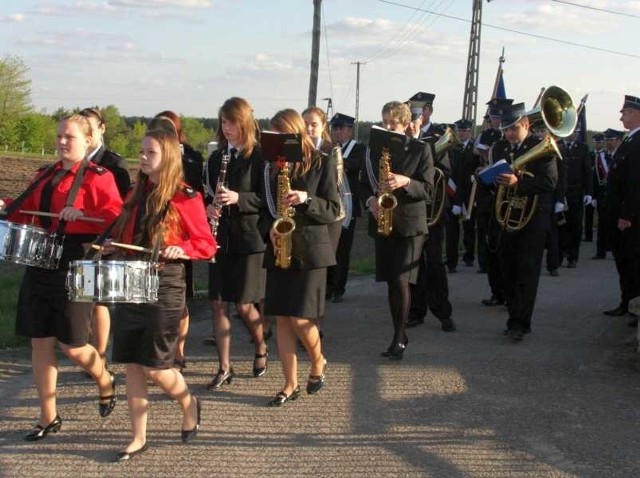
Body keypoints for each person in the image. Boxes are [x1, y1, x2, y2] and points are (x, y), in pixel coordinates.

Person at [0, 114, 122, 441]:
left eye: (69, 137)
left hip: (79, 260)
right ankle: (48, 416)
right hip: (40, 260)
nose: (62, 142)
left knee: (73, 346)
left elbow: (115, 220)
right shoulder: (45, 174)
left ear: (87, 141)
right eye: (59, 136)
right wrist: (5, 204)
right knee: (39, 341)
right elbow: (24, 212)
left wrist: (85, 215)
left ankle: (104, 378)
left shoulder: (100, 177)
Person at [108, 127, 216, 461]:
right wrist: (112, 245)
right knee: (133, 365)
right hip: (131, 280)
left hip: (165, 285)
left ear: (167, 157)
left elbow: (207, 244)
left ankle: (189, 403)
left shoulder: (186, 196)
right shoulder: (135, 193)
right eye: (141, 151)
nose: (142, 157)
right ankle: (138, 436)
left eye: (149, 152)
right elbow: (127, 234)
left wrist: (180, 248)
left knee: (155, 366)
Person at [260, 109, 340, 406]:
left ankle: (318, 360)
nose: (277, 141)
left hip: (310, 250)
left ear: (294, 133)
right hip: (280, 248)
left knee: (300, 318)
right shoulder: (271, 167)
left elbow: (333, 209)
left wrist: (307, 199)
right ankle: (289, 383)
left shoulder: (321, 162)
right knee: (281, 318)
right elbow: (262, 207)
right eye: (274, 135)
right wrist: (267, 228)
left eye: (282, 135)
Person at [204, 97, 268, 389]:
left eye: (232, 122)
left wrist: (239, 198)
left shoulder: (260, 156)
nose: (226, 128)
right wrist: (209, 207)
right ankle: (224, 367)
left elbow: (267, 198)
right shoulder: (217, 158)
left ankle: (261, 346)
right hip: (220, 239)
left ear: (244, 123)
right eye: (223, 123)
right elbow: (208, 193)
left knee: (244, 305)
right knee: (218, 304)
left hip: (249, 237)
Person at [361, 101, 433, 359]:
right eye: (385, 122)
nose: (389, 127)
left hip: (410, 225)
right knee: (392, 282)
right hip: (383, 221)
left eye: (393, 123)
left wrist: (406, 181)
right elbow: (362, 184)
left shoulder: (420, 149)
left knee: (402, 281)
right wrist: (370, 202)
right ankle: (400, 333)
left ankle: (398, 339)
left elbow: (428, 190)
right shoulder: (372, 151)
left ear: (404, 124)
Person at [491, 102, 558, 341]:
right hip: (508, 218)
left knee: (527, 272)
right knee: (507, 270)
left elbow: (549, 183)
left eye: (513, 128)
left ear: (526, 124)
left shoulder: (543, 148)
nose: (508, 134)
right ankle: (513, 313)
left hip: (533, 219)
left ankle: (520, 323)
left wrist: (518, 183)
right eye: (505, 129)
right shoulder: (499, 148)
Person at [149, 111, 204, 372]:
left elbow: (194, 189)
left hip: (179, 242)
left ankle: (177, 351)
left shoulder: (191, 156)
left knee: (180, 302)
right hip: (151, 253)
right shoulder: (142, 185)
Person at [79, 107, 131, 374]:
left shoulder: (114, 164)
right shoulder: (75, 160)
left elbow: (121, 209)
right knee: (81, 297)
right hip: (76, 237)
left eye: (90, 126)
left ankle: (100, 356)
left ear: (101, 129)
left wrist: (110, 239)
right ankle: (87, 351)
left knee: (98, 299)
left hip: (102, 238)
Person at [405, 92, 455, 332]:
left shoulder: (439, 136)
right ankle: (416, 311)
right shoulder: (404, 135)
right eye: (413, 111)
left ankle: (443, 312)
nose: (418, 114)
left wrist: (428, 165)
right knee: (414, 262)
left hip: (433, 207)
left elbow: (445, 171)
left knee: (434, 261)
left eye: (421, 110)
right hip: (413, 206)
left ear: (429, 112)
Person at [603, 96, 640, 323]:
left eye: (624, 112)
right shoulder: (629, 140)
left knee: (634, 262)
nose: (621, 117)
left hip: (631, 217)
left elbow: (635, 183)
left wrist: (627, 214)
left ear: (636, 113)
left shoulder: (637, 142)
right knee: (623, 261)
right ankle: (627, 302)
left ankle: (636, 308)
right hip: (619, 213)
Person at [477, 98, 513, 306]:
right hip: (491, 199)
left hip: (512, 202)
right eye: (494, 117)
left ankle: (509, 293)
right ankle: (497, 292)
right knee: (492, 247)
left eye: (501, 118)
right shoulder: (492, 140)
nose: (498, 121)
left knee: (507, 251)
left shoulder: (517, 144)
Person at [326, 112, 365, 303]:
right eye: (334, 128)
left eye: (341, 128)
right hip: (329, 205)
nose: (337, 132)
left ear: (350, 130)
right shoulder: (329, 148)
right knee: (327, 247)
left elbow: (353, 165)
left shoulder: (358, 149)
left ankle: (338, 287)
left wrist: (335, 158)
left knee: (342, 249)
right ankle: (326, 285)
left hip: (348, 205)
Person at [557, 127, 592, 268]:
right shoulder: (557, 145)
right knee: (560, 226)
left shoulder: (583, 148)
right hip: (560, 193)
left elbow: (587, 172)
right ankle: (558, 256)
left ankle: (573, 257)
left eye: (577, 132)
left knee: (575, 226)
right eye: (572, 132)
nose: (575, 134)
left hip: (576, 193)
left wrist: (589, 192)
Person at [445, 119, 477, 271]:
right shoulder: (451, 148)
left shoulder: (475, 148)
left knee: (469, 227)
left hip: (469, 194)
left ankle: (469, 256)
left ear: (470, 132)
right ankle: (452, 261)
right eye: (460, 131)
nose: (462, 134)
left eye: (465, 131)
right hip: (452, 192)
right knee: (451, 230)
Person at [589, 133, 609, 259]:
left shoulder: (608, 156)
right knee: (599, 223)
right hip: (594, 192)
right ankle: (600, 251)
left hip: (607, 193)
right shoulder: (590, 156)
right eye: (596, 142)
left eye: (601, 142)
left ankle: (611, 247)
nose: (598, 144)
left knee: (607, 222)